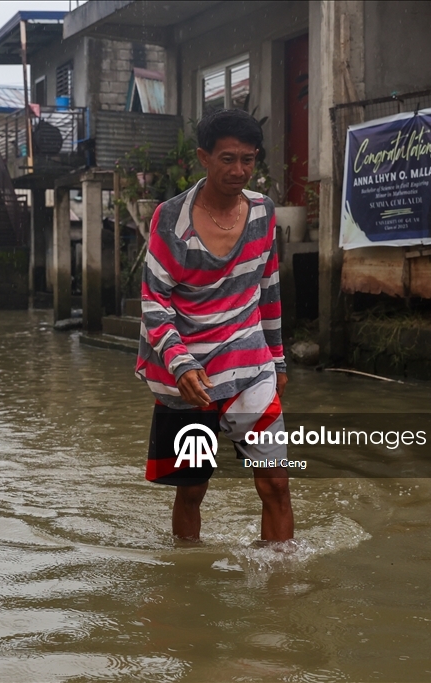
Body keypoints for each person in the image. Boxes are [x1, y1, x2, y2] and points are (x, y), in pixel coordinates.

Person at [136, 108, 292, 544]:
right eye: (227, 159)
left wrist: (278, 361)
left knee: (277, 484)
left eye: (248, 159)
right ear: (203, 158)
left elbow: (270, 290)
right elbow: (155, 300)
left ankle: (280, 590)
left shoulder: (263, 212)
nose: (238, 170)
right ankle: (187, 578)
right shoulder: (171, 218)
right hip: (190, 376)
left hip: (250, 365)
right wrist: (181, 364)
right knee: (192, 490)